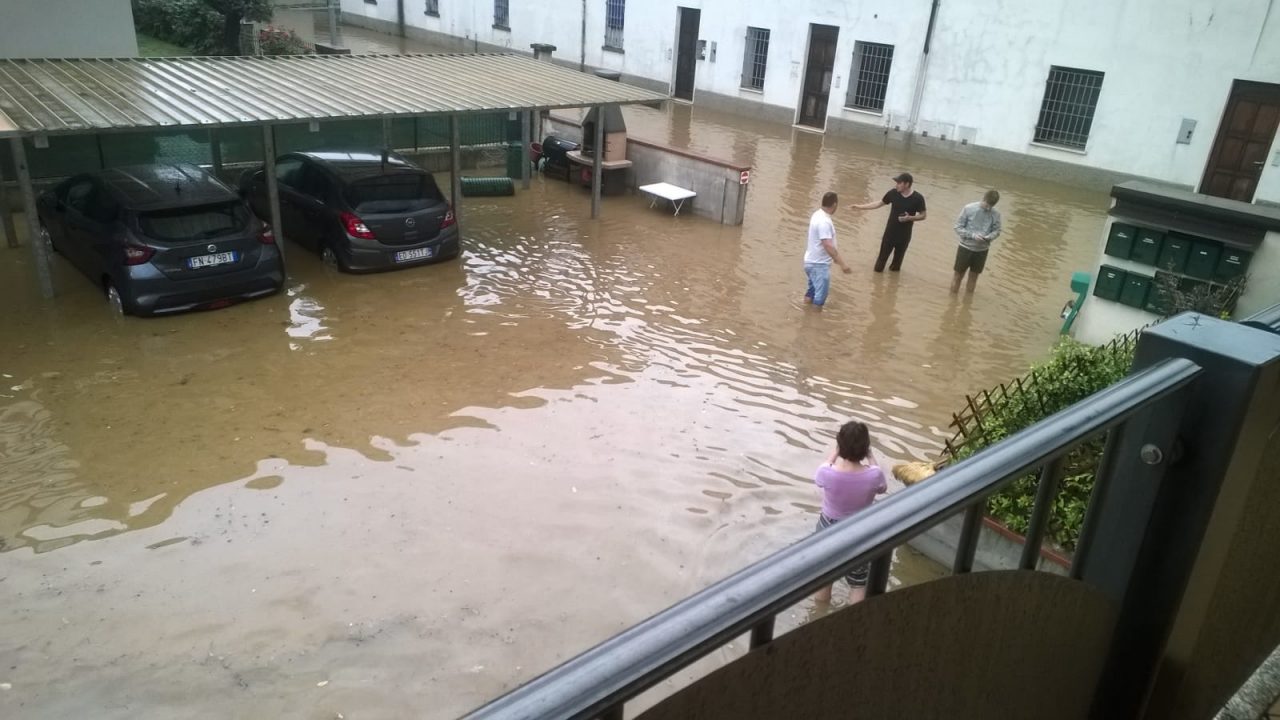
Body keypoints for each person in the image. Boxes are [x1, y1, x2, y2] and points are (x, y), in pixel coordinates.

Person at [812, 420, 888, 606]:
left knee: (825, 576)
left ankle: (819, 615)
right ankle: (855, 622)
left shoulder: (827, 473)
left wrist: (835, 453)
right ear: (865, 448)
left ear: (839, 445)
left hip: (828, 527)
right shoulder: (873, 475)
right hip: (858, 530)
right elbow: (883, 487)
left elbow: (820, 474)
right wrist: (871, 457)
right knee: (859, 583)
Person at [850, 172, 927, 272]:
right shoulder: (893, 193)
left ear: (907, 184)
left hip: (904, 237)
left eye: (899, 183)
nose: (896, 185)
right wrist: (860, 207)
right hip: (889, 234)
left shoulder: (918, 198)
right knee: (879, 266)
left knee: (896, 267)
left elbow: (923, 215)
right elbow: (879, 203)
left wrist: (910, 218)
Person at [803, 191, 852, 308]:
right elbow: (828, 245)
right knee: (820, 299)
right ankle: (814, 323)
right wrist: (842, 264)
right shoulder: (824, 221)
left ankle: (805, 312)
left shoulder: (817, 214)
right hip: (819, 266)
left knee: (812, 291)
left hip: (810, 262)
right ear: (835, 205)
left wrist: (833, 258)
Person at [951, 189, 1003, 294]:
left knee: (974, 277)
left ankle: (967, 302)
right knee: (958, 275)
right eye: (987, 204)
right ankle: (952, 300)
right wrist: (973, 235)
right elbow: (957, 227)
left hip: (982, 250)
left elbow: (997, 230)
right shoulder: (969, 208)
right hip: (965, 247)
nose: (988, 208)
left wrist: (989, 237)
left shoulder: (996, 214)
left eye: (991, 206)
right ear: (983, 199)